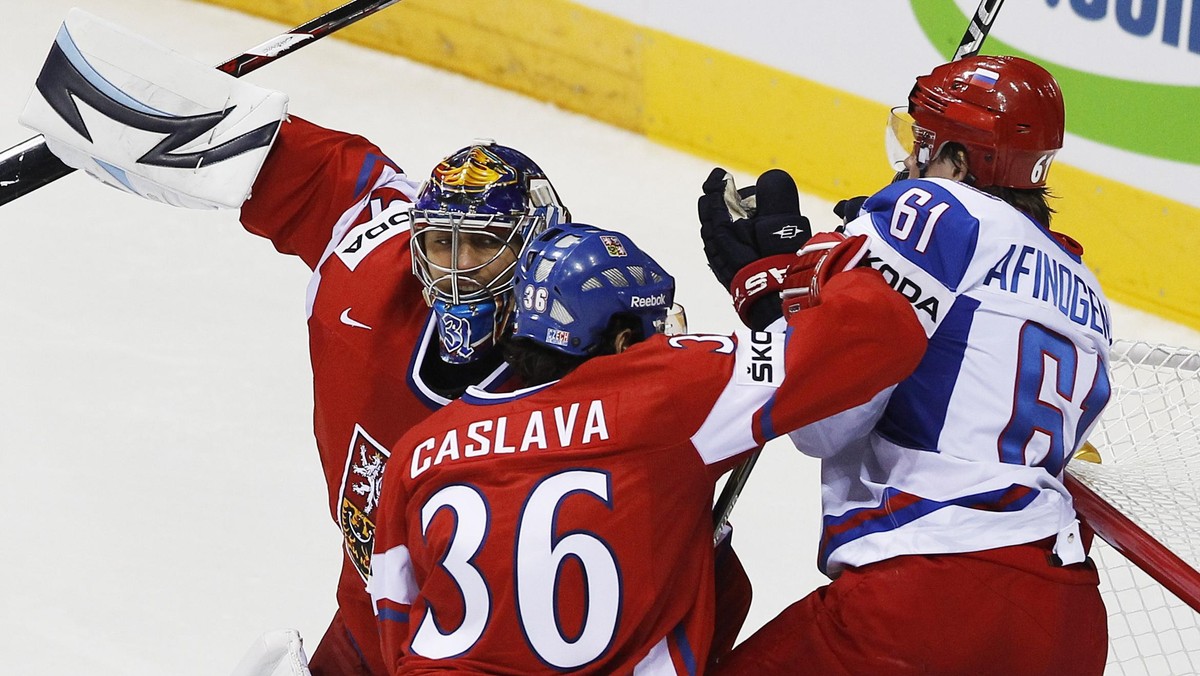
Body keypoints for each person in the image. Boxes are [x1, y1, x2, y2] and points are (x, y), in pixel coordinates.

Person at [19, 11, 567, 676]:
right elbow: (264, 156)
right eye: (441, 245)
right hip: (372, 626)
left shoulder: (604, 362)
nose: (456, 270)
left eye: (483, 247)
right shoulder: (371, 270)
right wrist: (109, 110)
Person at [701, 55, 1113, 675]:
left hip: (931, 599)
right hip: (1065, 622)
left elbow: (822, 424)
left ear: (962, 161)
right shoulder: (1086, 290)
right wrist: (831, 278)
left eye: (924, 143)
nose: (909, 161)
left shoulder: (932, 209)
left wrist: (776, 302)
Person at [367, 221, 925, 673]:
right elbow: (877, 336)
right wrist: (822, 264)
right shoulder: (665, 393)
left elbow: (393, 620)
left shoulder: (420, 447)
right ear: (624, 341)